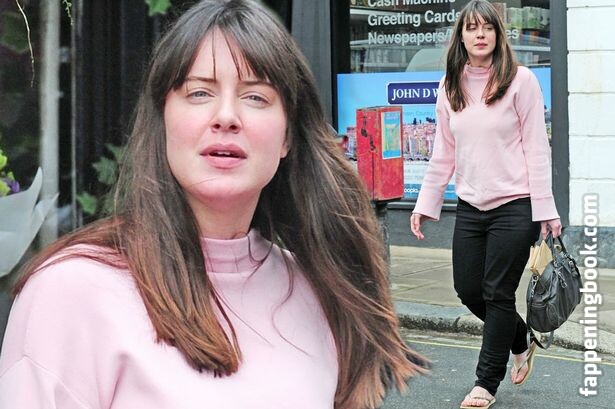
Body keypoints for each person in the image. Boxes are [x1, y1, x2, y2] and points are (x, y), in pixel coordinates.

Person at [0, 1, 428, 408]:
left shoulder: (317, 290)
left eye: (256, 96)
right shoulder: (70, 292)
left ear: (287, 137)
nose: (226, 116)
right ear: (162, 119)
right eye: (199, 92)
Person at [410, 1, 561, 408]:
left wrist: (545, 209)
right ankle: (520, 337)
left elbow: (537, 148)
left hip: (515, 206)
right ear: (461, 36)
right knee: (468, 290)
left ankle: (485, 383)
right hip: (470, 206)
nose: (480, 34)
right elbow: (443, 151)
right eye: (472, 28)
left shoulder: (521, 81)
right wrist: (425, 203)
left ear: (498, 34)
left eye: (488, 28)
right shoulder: (450, 86)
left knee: (497, 293)